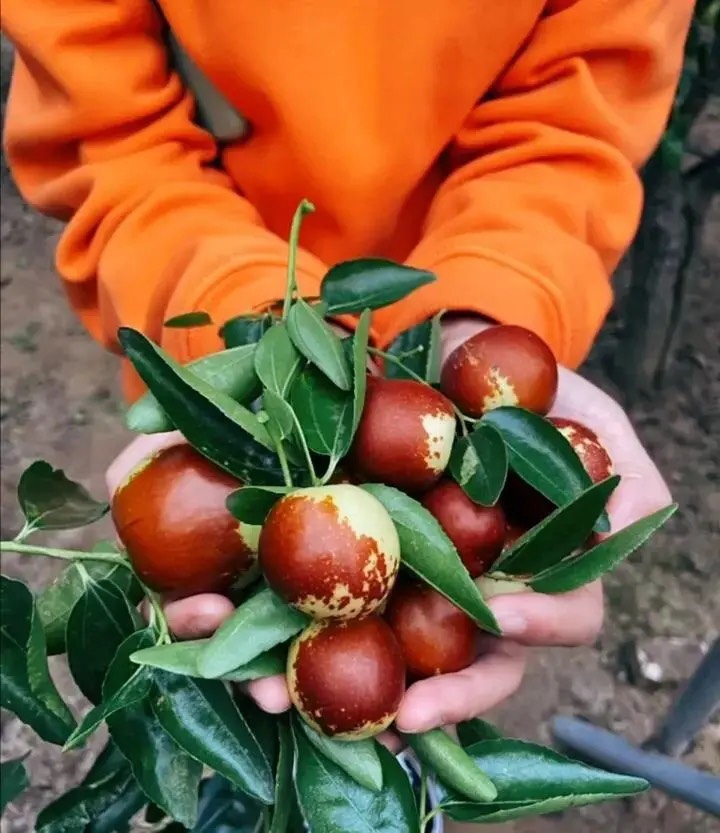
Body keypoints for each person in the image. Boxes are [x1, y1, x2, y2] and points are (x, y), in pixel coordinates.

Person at [1, 0, 689, 823]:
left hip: (418, 356)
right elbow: (109, 131)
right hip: (238, 407)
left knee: (407, 716)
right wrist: (272, 354)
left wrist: (484, 318)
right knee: (236, 696)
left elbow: (572, 123)